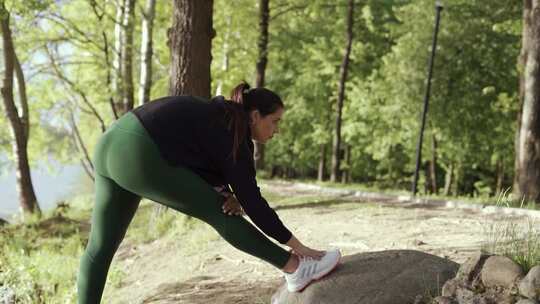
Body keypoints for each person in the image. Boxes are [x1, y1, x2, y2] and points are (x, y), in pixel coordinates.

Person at [77, 82, 341, 303]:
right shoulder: (233, 132)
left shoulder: (221, 116)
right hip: (138, 151)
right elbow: (254, 205)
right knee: (219, 213)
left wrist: (228, 193)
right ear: (255, 115)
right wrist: (300, 248)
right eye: (274, 122)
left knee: (99, 248)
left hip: (110, 142)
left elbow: (195, 159)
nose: (276, 131)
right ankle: (295, 268)